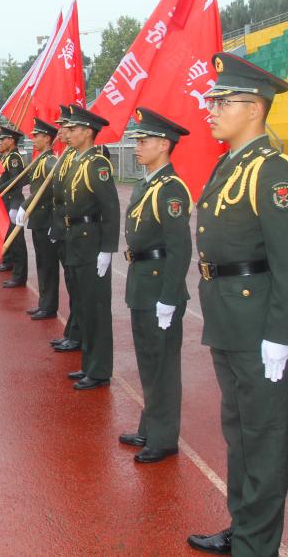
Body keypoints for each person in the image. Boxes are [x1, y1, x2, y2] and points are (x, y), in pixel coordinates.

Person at [187, 53, 288, 556]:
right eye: (212, 101)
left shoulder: (272, 170)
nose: (212, 110)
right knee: (240, 433)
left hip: (259, 323)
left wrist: (281, 335)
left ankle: (257, 546)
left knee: (263, 436)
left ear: (255, 108)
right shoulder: (230, 164)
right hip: (228, 316)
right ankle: (244, 529)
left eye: (223, 102)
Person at [119, 107, 193, 464]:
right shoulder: (147, 183)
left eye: (143, 140)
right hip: (142, 283)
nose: (137, 147)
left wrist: (169, 296)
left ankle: (164, 439)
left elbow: (180, 248)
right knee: (148, 362)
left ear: (164, 144)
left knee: (162, 365)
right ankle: (150, 427)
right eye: (137, 140)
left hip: (159, 286)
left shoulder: (171, 189)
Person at [59, 105, 119, 390]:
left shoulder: (97, 164)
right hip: (76, 240)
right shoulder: (77, 161)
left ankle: (99, 369)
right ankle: (89, 363)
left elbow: (110, 208)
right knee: (82, 305)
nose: (68, 133)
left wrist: (107, 249)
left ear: (87, 132)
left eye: (73, 129)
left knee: (96, 309)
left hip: (91, 243)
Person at [15, 117, 60, 320]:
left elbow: (48, 190)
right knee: (41, 263)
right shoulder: (40, 159)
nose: (33, 139)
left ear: (47, 138)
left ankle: (49, 306)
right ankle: (44, 302)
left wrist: (25, 206)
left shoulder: (50, 162)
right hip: (38, 220)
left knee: (48, 265)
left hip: (46, 219)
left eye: (37, 136)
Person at [48, 105, 82, 352]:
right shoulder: (67, 155)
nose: (61, 132)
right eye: (61, 127)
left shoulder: (80, 158)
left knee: (78, 289)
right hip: (63, 228)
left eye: (66, 127)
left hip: (75, 231)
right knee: (71, 285)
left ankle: (77, 334)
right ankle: (72, 329)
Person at [0, 126, 28, 287]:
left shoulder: (14, 158)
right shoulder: (7, 157)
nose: (1, 142)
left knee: (16, 241)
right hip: (6, 200)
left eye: (3, 139)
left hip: (14, 200)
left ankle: (19, 276)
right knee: (8, 237)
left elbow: (16, 181)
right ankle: (10, 263)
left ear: (11, 141)